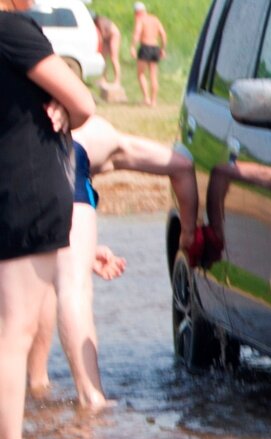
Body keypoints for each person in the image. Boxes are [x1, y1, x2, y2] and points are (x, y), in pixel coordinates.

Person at [27, 115, 198, 409]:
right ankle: (91, 394)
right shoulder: (102, 135)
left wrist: (86, 250)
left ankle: (35, 384)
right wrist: (189, 232)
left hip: (13, 164)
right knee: (73, 286)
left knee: (37, 277)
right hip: (67, 154)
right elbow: (181, 165)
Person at [0, 0, 95, 439]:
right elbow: (84, 102)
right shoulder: (14, 30)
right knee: (14, 330)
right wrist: (67, 108)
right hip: (26, 188)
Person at [130, 2, 166, 107]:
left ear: (137, 12)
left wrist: (132, 46)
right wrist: (162, 49)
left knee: (140, 74)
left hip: (145, 47)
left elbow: (137, 33)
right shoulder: (155, 19)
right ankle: (153, 101)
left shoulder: (140, 20)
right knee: (153, 76)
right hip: (155, 47)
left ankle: (146, 98)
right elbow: (163, 35)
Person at [92, 12, 121, 85]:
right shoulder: (96, 22)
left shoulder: (99, 21)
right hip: (107, 37)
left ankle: (117, 80)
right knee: (103, 58)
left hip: (114, 35)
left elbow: (102, 34)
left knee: (113, 58)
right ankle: (103, 78)